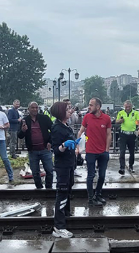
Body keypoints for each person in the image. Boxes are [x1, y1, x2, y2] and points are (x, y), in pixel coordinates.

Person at [77, 97, 112, 206]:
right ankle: (91, 198)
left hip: (102, 152)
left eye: (91, 105)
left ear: (98, 107)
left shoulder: (106, 118)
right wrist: (78, 147)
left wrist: (107, 149)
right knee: (91, 175)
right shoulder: (87, 117)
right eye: (89, 104)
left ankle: (98, 194)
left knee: (102, 175)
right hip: (91, 151)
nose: (89, 107)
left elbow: (108, 134)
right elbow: (80, 132)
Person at [49, 101, 77, 238]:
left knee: (68, 191)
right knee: (62, 193)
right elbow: (56, 150)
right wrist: (64, 145)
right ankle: (59, 227)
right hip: (63, 166)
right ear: (60, 112)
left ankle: (65, 215)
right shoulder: (56, 128)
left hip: (70, 164)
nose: (70, 111)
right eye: (67, 109)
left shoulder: (66, 125)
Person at [18, 102, 54, 189]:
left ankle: (48, 188)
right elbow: (19, 135)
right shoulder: (25, 120)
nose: (35, 109)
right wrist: (23, 130)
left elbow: (53, 130)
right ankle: (39, 188)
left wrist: (50, 142)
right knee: (35, 172)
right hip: (32, 150)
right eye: (32, 108)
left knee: (49, 170)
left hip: (45, 149)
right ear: (28, 109)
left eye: (36, 108)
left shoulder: (44, 118)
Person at [115, 100, 139, 175]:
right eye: (126, 106)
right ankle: (122, 168)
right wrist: (120, 120)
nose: (127, 108)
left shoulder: (135, 113)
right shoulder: (121, 112)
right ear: (124, 106)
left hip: (132, 135)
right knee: (122, 152)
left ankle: (131, 166)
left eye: (129, 107)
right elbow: (116, 121)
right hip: (123, 134)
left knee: (132, 152)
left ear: (131, 106)